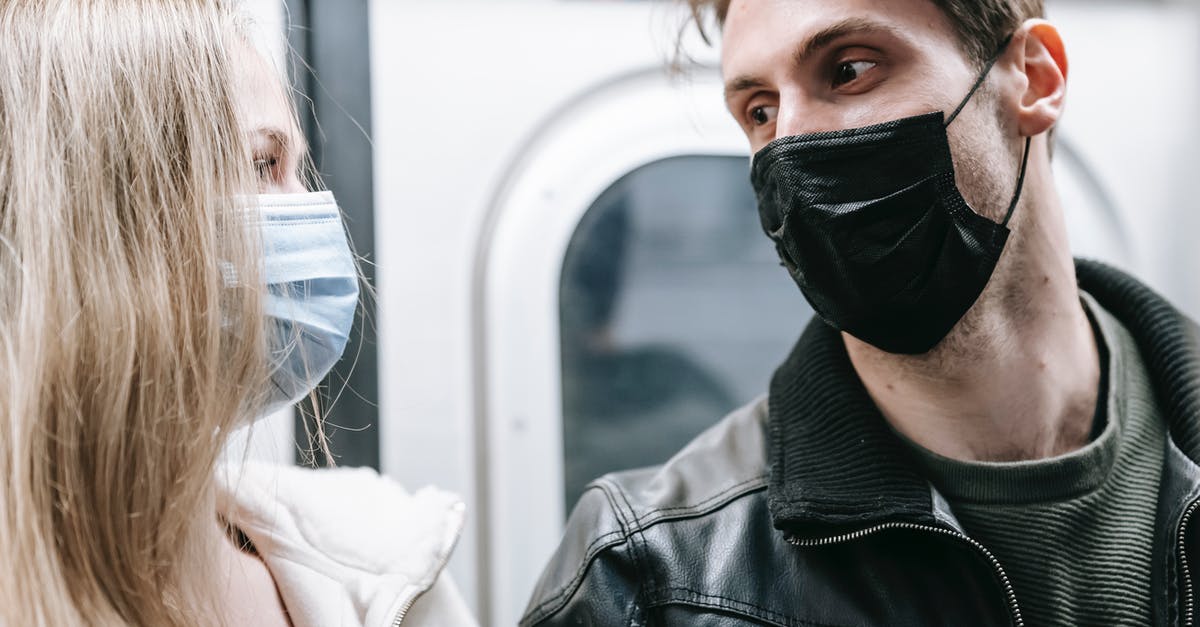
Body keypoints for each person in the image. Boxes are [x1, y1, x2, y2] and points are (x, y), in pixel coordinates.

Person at [522, 0, 1200, 624]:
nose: (792, 145)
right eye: (760, 111)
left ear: (1033, 77)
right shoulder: (652, 575)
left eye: (849, 70)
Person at [0, 1, 474, 625]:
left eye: (297, 170)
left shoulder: (385, 564)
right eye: (262, 165)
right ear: (103, 225)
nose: (313, 211)